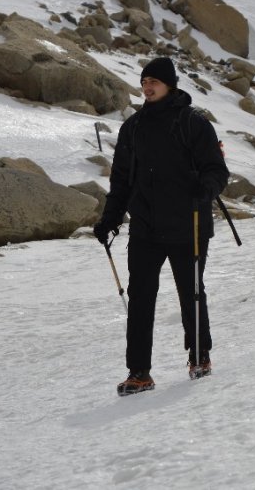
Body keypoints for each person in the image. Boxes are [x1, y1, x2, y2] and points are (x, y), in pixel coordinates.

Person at [94, 57, 229, 396]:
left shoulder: (193, 123)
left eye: (153, 81)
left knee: (191, 292)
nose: (147, 88)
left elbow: (216, 169)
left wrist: (206, 188)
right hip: (145, 227)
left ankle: (199, 356)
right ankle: (139, 372)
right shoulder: (133, 127)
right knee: (140, 297)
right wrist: (110, 218)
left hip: (188, 223)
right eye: (144, 82)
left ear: (169, 84)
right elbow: (121, 180)